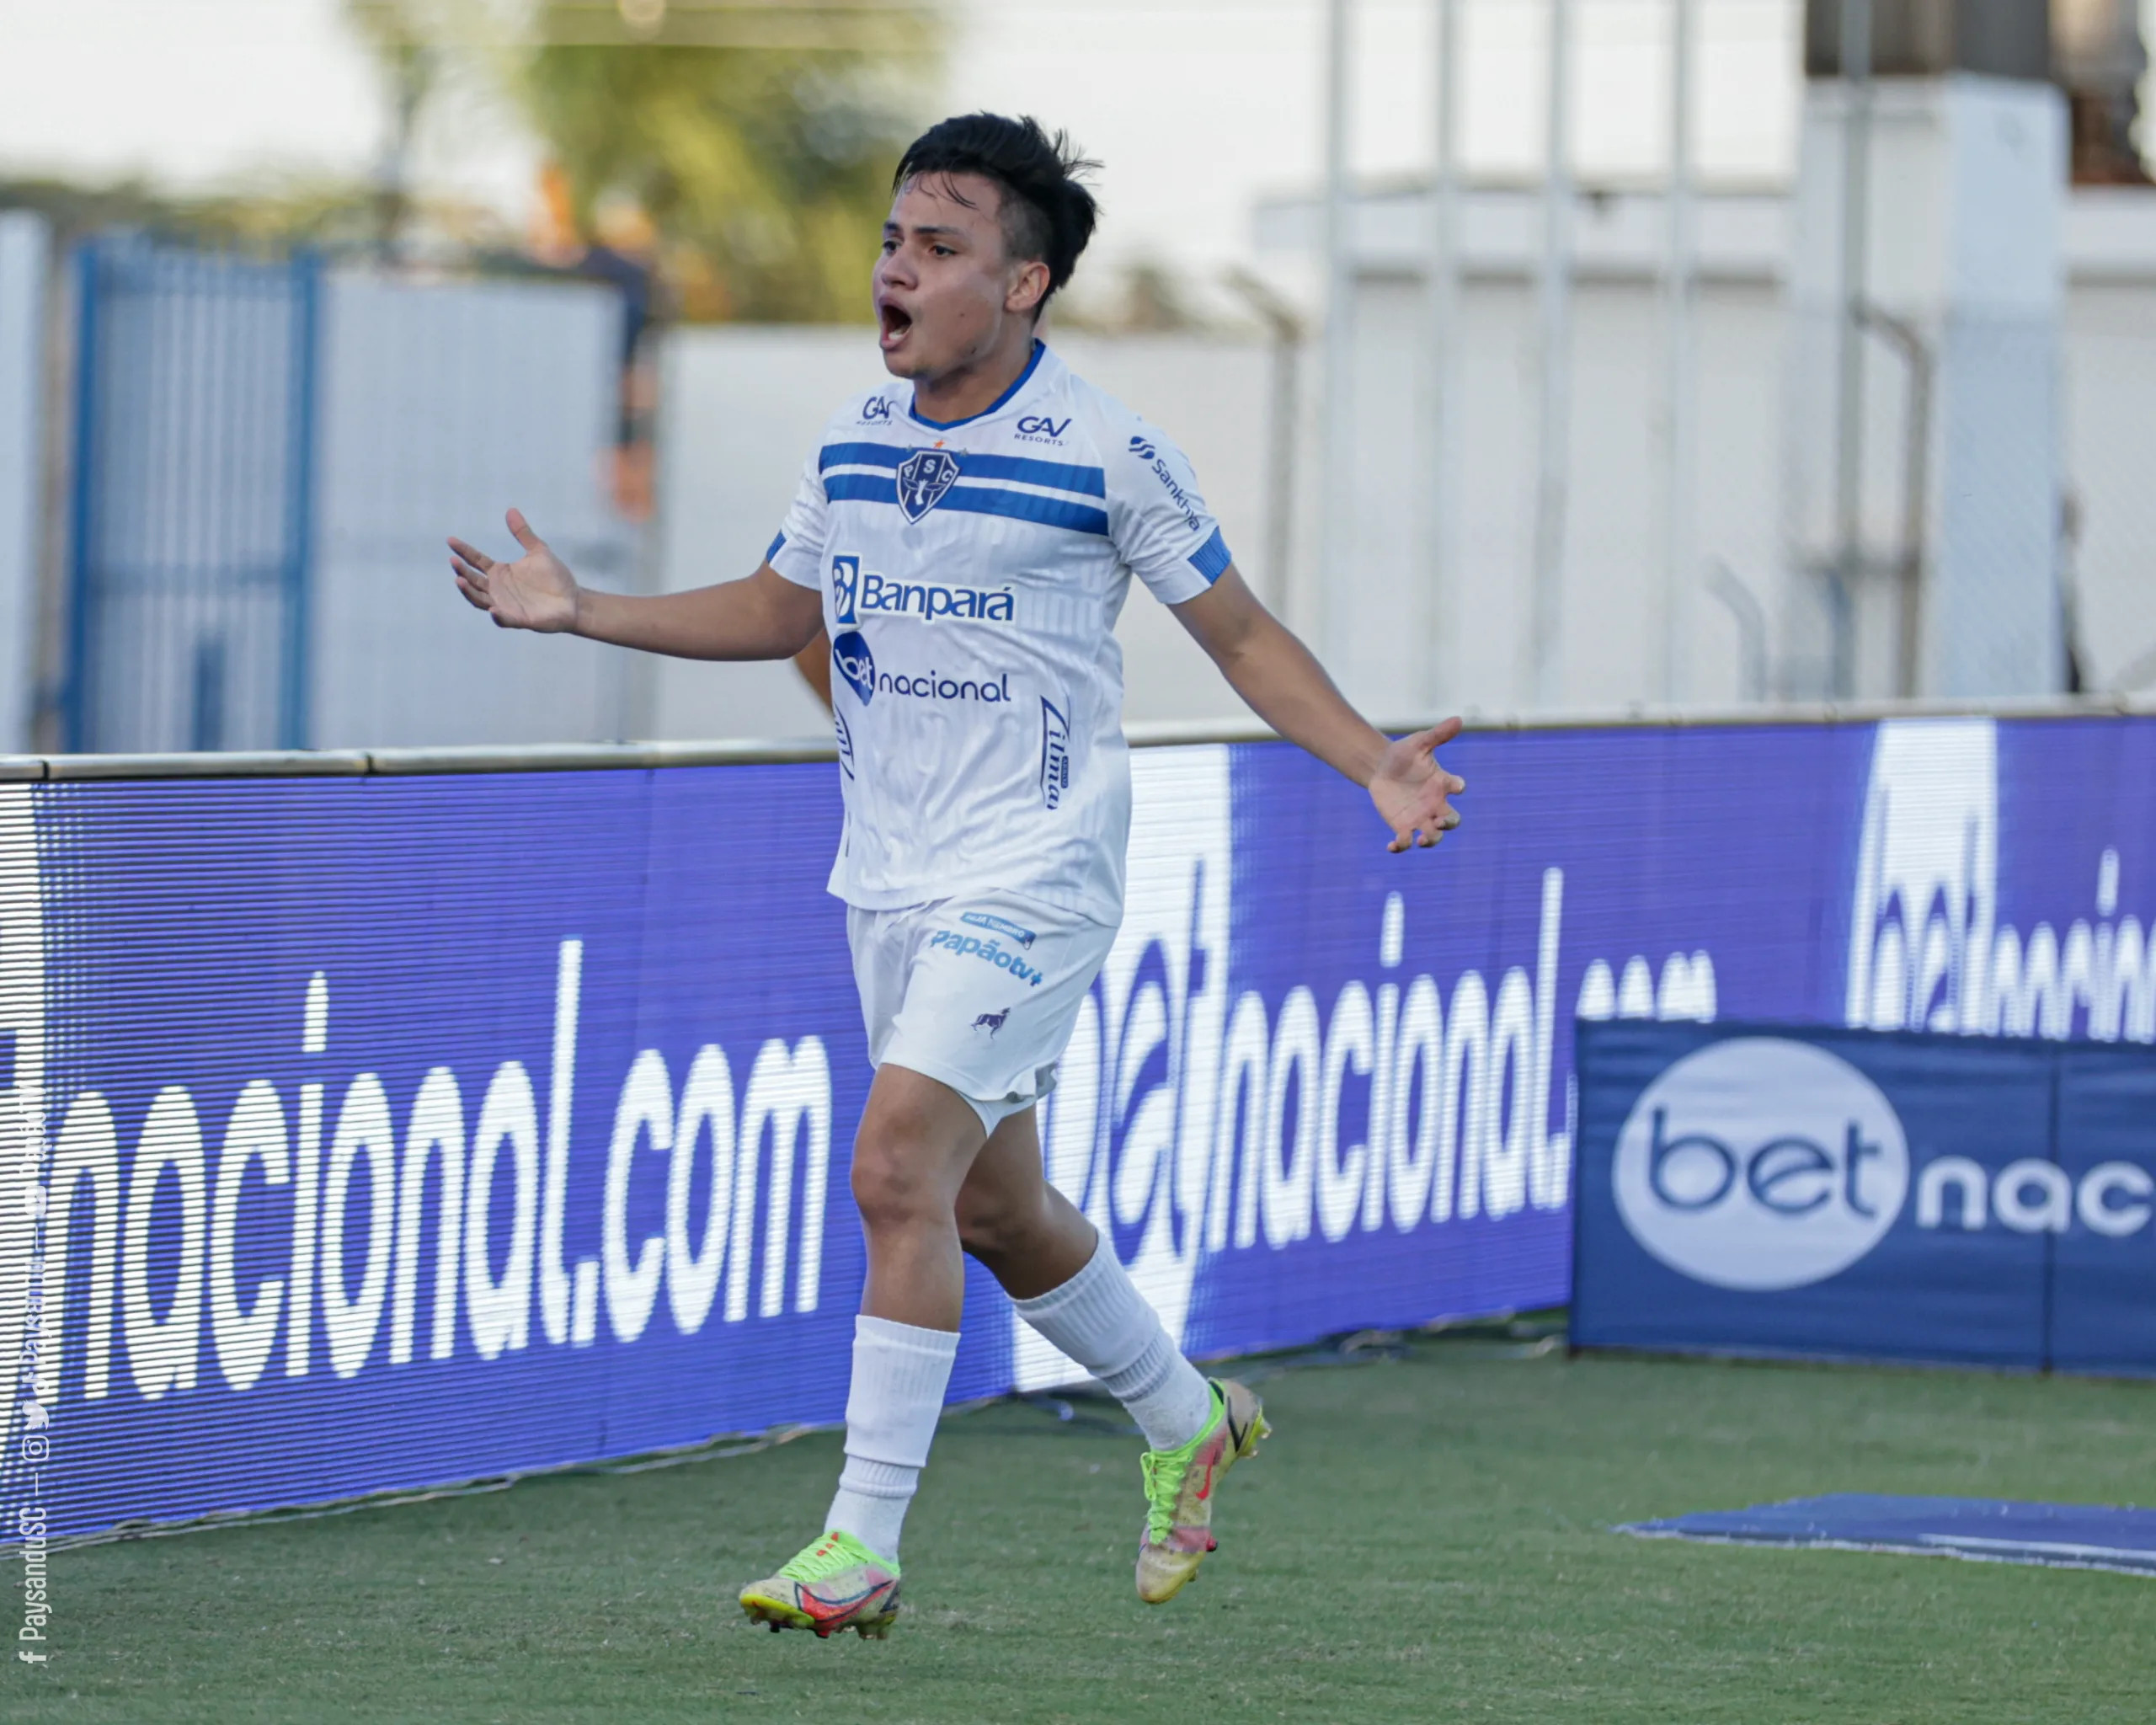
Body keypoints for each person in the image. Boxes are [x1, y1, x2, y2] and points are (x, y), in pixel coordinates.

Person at [449, 112, 1465, 1642]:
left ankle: (859, 1545)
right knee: (999, 1214)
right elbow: (780, 609)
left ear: (1027, 283)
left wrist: (1373, 760)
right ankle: (1189, 1421)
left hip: (1039, 876)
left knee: (893, 1171)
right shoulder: (855, 438)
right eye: (891, 241)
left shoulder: (1108, 452)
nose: (898, 270)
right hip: (890, 881)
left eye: (941, 247)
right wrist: (583, 610)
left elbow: (1242, 635)